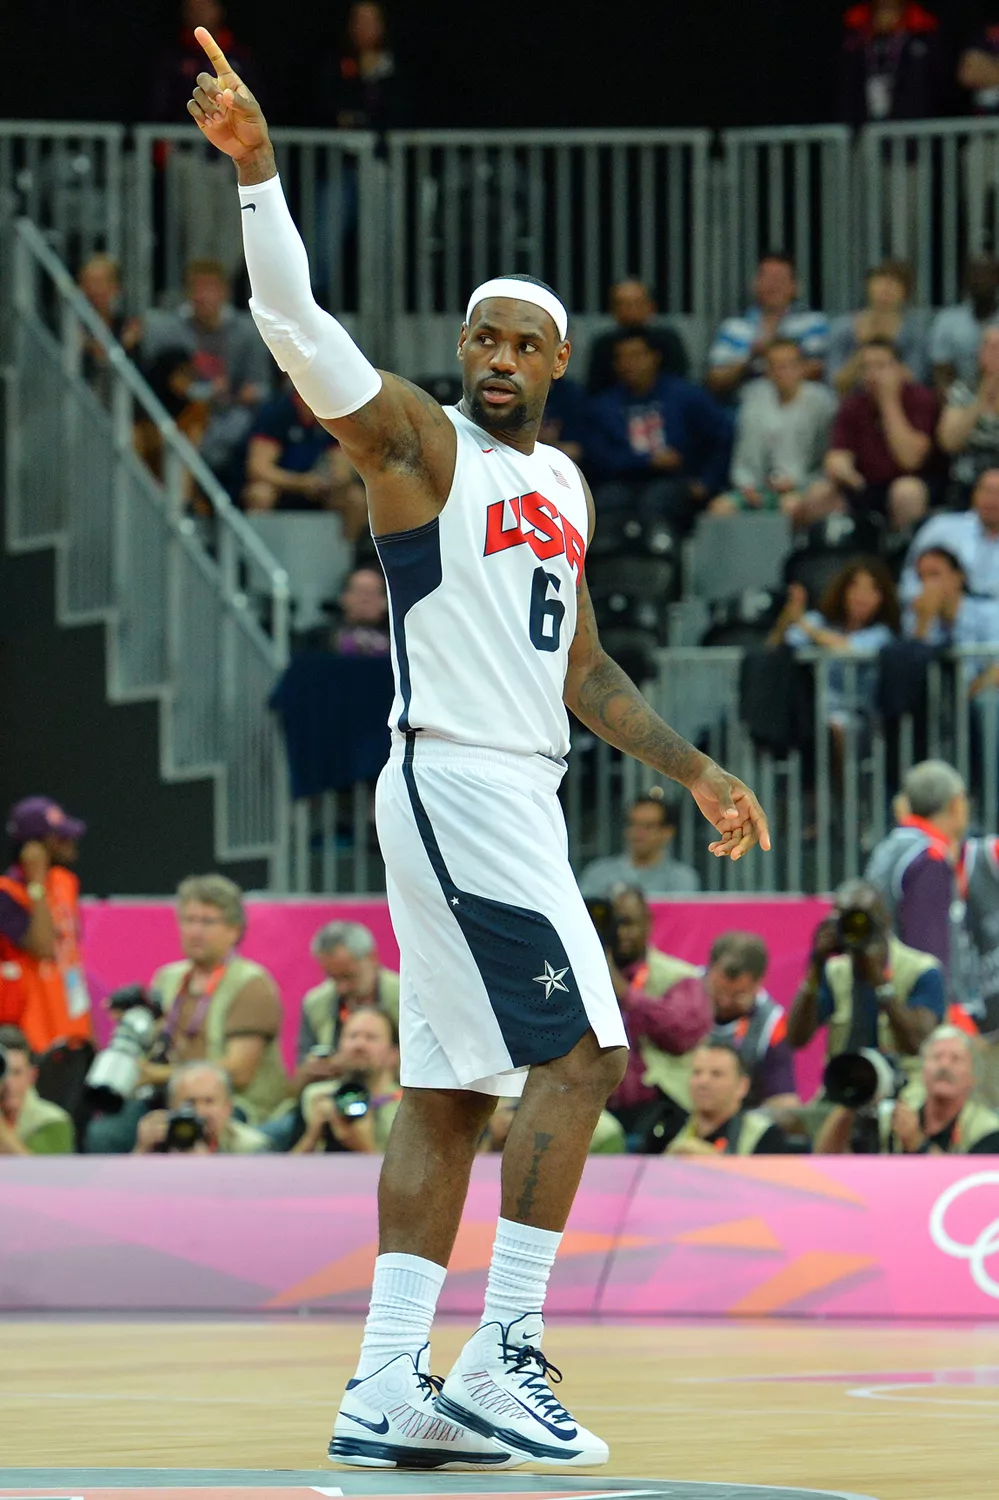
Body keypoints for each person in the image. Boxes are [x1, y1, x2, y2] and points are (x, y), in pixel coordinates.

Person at [187, 32, 769, 1469]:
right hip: (451, 775)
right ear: (462, 353)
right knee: (583, 1057)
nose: (497, 359)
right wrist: (258, 175)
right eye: (481, 338)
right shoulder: (419, 446)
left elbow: (576, 668)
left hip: (518, 778)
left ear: (557, 362)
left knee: (451, 1090)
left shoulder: (559, 480)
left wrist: (691, 770)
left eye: (521, 343)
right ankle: (504, 1352)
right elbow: (300, 332)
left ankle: (384, 1387)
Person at [86, 874, 289, 1153]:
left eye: (207, 921)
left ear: (234, 929)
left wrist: (157, 1074)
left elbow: (238, 1072)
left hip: (233, 1103)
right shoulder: (167, 978)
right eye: (189, 920)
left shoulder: (251, 984)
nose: (195, 931)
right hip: (171, 1099)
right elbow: (153, 1047)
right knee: (105, 1134)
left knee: (202, 1129)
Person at [786, 880, 944, 1084]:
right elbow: (796, 1039)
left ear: (885, 920)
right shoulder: (834, 972)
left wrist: (878, 979)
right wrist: (815, 966)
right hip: (843, 1087)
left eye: (863, 920)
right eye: (848, 921)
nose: (856, 928)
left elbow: (917, 1044)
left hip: (906, 1090)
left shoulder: (922, 970)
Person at [586, 331, 732, 531]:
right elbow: (598, 456)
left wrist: (707, 482)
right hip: (620, 481)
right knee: (604, 503)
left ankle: (662, 559)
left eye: (636, 355)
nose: (628, 363)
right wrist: (646, 461)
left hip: (676, 481)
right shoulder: (603, 405)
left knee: (658, 501)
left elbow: (721, 437)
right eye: (621, 357)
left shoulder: (686, 396)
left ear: (654, 357)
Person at [142, 257, 271, 480]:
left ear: (224, 292)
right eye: (196, 289)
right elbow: (167, 384)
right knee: (179, 432)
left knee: (236, 426)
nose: (201, 297)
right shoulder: (171, 331)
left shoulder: (246, 332)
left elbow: (262, 387)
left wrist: (243, 393)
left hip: (232, 410)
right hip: (186, 412)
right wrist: (204, 391)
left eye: (209, 289)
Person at [602, 886, 710, 1146]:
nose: (620, 933)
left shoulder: (679, 976)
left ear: (648, 923)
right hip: (594, 1108)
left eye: (628, 923)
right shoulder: (574, 976)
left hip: (660, 1111)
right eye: (612, 924)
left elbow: (682, 1034)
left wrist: (625, 993)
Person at [813, 337, 937, 536]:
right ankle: (830, 559)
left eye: (881, 366)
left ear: (900, 369)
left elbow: (910, 460)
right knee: (819, 495)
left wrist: (888, 402)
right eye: (866, 367)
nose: (872, 374)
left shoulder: (920, 399)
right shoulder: (853, 404)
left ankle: (905, 558)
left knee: (906, 492)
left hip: (913, 483)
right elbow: (837, 457)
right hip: (864, 485)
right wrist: (843, 470)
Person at [0, 797, 92, 1057]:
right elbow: (43, 947)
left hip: (74, 1026)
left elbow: (72, 958)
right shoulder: (6, 894)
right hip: (33, 1035)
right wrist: (37, 881)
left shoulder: (66, 882)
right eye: (58, 836)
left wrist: (89, 1031)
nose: (70, 841)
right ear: (33, 846)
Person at [864, 761, 969, 986]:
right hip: (917, 1005)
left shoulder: (891, 846)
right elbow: (928, 952)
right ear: (955, 805)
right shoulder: (929, 856)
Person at [816, 1025, 999, 1154]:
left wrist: (919, 1144)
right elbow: (826, 1159)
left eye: (956, 1059)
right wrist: (852, 1097)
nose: (944, 1065)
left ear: (973, 1076)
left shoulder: (987, 1130)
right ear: (923, 1069)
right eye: (936, 1057)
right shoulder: (891, 1119)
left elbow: (967, 1187)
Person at [709, 340, 837, 522]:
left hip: (804, 485)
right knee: (720, 509)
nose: (782, 372)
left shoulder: (821, 403)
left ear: (802, 368)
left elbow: (826, 456)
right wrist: (748, 486)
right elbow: (745, 453)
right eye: (775, 366)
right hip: (760, 487)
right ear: (767, 371)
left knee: (790, 506)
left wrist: (797, 482)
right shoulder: (753, 399)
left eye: (788, 365)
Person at [767, 558, 900, 733]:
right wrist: (788, 615)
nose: (862, 596)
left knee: (835, 728)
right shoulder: (819, 622)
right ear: (843, 590)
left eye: (872, 589)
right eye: (855, 586)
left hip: (860, 717)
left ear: (882, 598)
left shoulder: (882, 634)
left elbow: (849, 648)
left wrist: (803, 624)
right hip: (813, 713)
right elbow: (779, 644)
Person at [242, 381, 367, 537]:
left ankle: (342, 555)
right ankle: (255, 555)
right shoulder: (276, 411)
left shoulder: (335, 413)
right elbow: (258, 468)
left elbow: (342, 466)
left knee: (356, 499)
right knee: (259, 494)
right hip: (282, 487)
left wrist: (335, 479)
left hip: (318, 488)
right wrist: (300, 482)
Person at [294, 919, 400, 1099]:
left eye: (349, 977)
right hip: (333, 1096)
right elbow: (299, 1076)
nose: (342, 988)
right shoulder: (315, 1004)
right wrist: (313, 1069)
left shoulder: (405, 998)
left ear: (372, 958)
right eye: (333, 978)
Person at [706, 253, 829, 401]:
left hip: (798, 404)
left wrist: (772, 362)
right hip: (744, 405)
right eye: (767, 278)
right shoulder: (733, 327)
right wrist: (749, 360)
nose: (773, 285)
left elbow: (818, 370)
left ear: (795, 287)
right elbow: (715, 379)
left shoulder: (813, 322)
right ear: (755, 284)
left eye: (780, 279)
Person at [700, 933, 797, 1111]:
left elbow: (784, 1102)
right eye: (718, 992)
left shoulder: (773, 1024)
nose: (725, 1002)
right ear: (708, 970)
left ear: (758, 984)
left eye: (737, 995)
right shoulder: (680, 989)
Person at [296, 1006, 402, 1154]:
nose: (359, 1045)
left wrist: (362, 1145)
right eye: (352, 1036)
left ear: (394, 1054)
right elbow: (289, 1171)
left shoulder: (407, 1108)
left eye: (371, 1038)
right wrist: (313, 1136)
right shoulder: (315, 1096)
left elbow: (407, 1176)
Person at [666, 1041, 793, 1156]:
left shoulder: (764, 1135)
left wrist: (717, 1163)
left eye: (716, 1074)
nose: (703, 1082)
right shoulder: (668, 1128)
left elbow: (768, 1181)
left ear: (742, 1086)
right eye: (696, 1073)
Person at [903, 547, 999, 695]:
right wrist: (923, 622)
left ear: (958, 577)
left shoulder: (990, 614)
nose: (927, 585)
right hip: (939, 706)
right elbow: (910, 678)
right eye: (921, 578)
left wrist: (965, 697)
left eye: (934, 575)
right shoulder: (917, 619)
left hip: (983, 703)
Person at [838, 0, 946, 127]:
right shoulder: (854, 33)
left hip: (909, 128)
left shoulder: (923, 31)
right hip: (865, 125)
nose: (886, 14)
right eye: (882, 8)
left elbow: (934, 82)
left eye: (890, 9)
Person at [827, 261, 928, 395]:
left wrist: (884, 355)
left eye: (894, 283)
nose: (886, 289)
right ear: (868, 286)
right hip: (851, 399)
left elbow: (915, 381)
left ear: (905, 293)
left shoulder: (914, 331)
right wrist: (864, 352)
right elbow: (836, 383)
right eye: (880, 281)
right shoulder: (843, 327)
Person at [901, 469, 999, 604]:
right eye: (987, 491)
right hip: (938, 615)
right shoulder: (941, 528)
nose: (992, 500)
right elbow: (909, 580)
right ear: (974, 494)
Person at [578, 791, 700, 898]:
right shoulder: (598, 873)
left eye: (648, 826)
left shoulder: (681, 878)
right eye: (632, 824)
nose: (638, 833)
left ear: (667, 832)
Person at [134, 1060, 270, 1154]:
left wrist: (205, 1166)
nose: (200, 1111)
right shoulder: (160, 1141)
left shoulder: (251, 1148)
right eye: (189, 1102)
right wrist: (142, 1149)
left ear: (228, 1108)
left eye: (209, 1101)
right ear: (171, 1108)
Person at [315, 2, 409, 134]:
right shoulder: (338, 64)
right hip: (344, 146)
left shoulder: (394, 64)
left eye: (370, 21)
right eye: (359, 21)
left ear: (381, 25)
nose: (364, 27)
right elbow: (329, 105)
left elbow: (400, 109)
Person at [586, 278, 689, 395]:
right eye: (623, 304)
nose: (630, 309)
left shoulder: (668, 341)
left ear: (651, 306)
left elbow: (680, 384)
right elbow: (595, 390)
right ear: (612, 309)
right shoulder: (603, 345)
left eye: (637, 303)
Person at [936, 327, 999, 509]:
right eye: (989, 347)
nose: (995, 353)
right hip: (969, 482)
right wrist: (982, 397)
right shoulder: (962, 391)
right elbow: (949, 442)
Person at [0, 1025, 75, 1155]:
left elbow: (37, 1172)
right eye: (2, 1073)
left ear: (32, 1075)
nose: (8, 1083)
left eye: (17, 1073)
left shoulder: (53, 1121)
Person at [77, 254, 142, 400]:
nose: (92, 289)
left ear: (115, 287)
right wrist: (122, 345)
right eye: (87, 282)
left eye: (99, 282)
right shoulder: (68, 325)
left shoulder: (125, 325)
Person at [929, 257, 999, 390]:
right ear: (966, 282)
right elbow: (941, 371)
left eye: (988, 274)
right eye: (975, 275)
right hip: (960, 397)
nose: (981, 280)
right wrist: (955, 403)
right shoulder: (947, 320)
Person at [330, 566, 392, 657]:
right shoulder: (320, 639)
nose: (365, 599)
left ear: (385, 600)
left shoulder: (399, 641)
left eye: (372, 593)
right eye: (359, 592)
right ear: (343, 597)